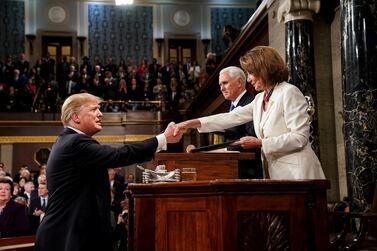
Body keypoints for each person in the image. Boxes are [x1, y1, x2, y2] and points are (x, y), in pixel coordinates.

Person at [34, 93, 182, 251]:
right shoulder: (74, 143)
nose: (100, 113)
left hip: (71, 234)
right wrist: (163, 139)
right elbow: (119, 155)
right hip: (68, 237)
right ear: (76, 117)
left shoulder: (70, 141)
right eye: (94, 109)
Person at [174, 46, 325, 180]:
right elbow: (232, 117)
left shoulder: (289, 92)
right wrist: (191, 123)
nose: (249, 79)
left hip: (299, 174)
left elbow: (300, 138)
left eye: (250, 72)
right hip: (276, 174)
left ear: (264, 69)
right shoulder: (260, 98)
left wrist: (260, 143)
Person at [218, 66, 262, 179]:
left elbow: (252, 137)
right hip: (234, 168)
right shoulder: (232, 105)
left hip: (249, 171)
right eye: (220, 85)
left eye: (225, 83)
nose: (222, 88)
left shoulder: (251, 102)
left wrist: (221, 150)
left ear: (239, 82)